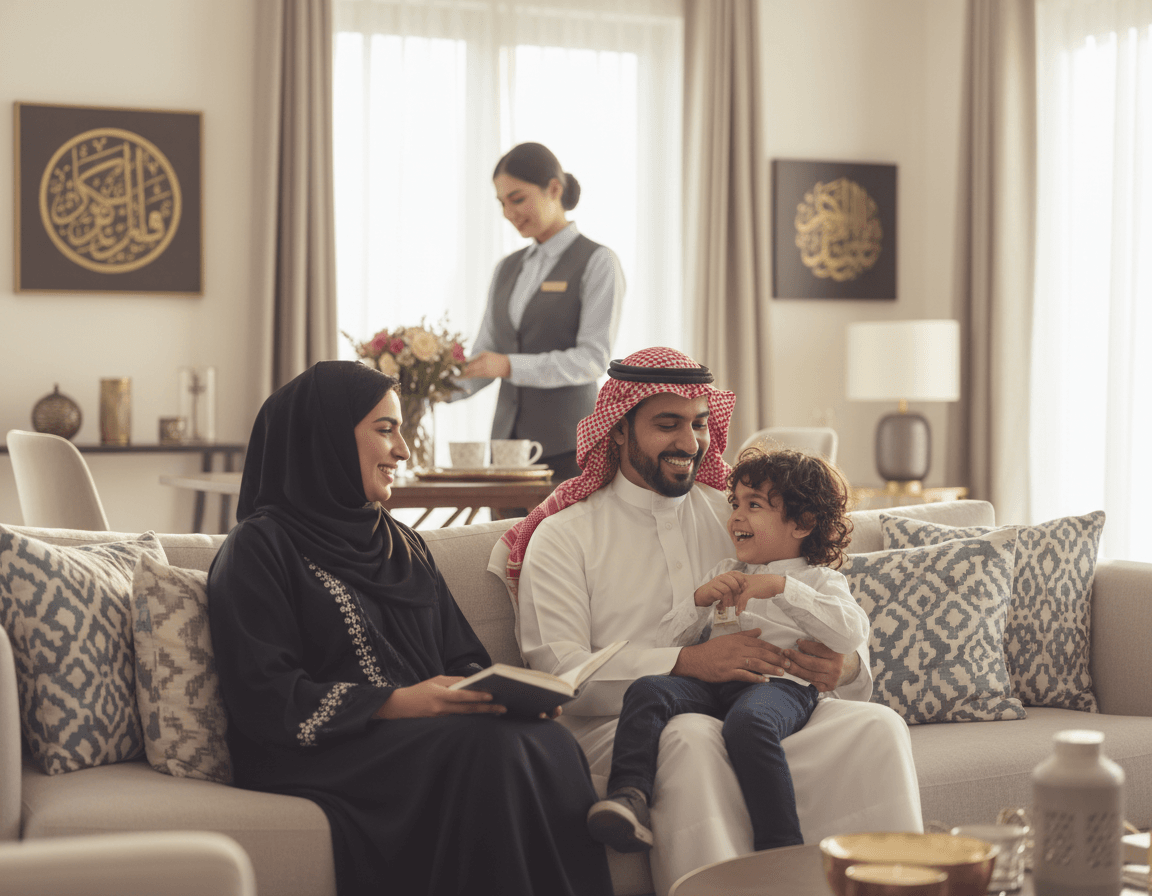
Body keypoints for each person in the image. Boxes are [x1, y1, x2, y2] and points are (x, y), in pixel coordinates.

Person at [494, 347, 922, 896]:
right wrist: (688, 662)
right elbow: (561, 674)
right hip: (622, 725)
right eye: (667, 424)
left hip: (762, 708)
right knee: (692, 738)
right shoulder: (564, 536)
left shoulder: (736, 513)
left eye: (699, 424)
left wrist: (844, 669)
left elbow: (816, 601)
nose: (690, 442)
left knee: (877, 726)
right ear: (619, 431)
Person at [207, 360, 612, 896]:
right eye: (385, 430)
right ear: (325, 437)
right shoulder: (259, 549)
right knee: (487, 753)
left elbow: (462, 658)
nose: (402, 450)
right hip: (321, 748)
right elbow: (264, 697)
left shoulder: (401, 544)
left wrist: (506, 697)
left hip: (427, 734)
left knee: (547, 740)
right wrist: (398, 703)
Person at [585, 447, 869, 855]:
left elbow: (849, 634)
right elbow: (668, 643)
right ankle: (629, 796)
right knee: (647, 689)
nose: (736, 516)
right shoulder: (725, 572)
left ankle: (780, 845)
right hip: (713, 685)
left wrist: (783, 588)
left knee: (750, 723)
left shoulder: (819, 580)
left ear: (803, 522)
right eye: (734, 503)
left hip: (779, 686)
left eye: (754, 505)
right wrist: (697, 602)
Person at [454, 142, 625, 485]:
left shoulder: (598, 262)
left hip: (569, 448)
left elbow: (592, 359)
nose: (508, 212)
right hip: (506, 450)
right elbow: (485, 355)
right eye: (502, 203)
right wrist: (426, 386)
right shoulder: (506, 268)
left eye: (517, 199)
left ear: (554, 189)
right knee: (501, 540)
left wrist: (509, 365)